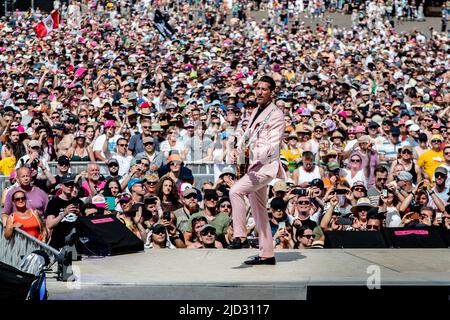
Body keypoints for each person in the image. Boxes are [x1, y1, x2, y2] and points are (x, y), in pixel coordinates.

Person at [229, 76, 285, 265]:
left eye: (264, 89)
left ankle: (240, 236)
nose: (259, 92)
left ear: (272, 93)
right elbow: (247, 135)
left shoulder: (276, 115)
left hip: (265, 167)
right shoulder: (256, 111)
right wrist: (238, 148)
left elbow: (272, 147)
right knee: (259, 210)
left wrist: (249, 154)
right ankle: (267, 253)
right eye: (258, 88)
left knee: (235, 191)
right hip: (254, 166)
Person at [44, 174, 84, 249]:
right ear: (61, 185)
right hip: (58, 243)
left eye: (71, 184)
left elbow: (85, 224)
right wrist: (64, 213)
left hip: (76, 242)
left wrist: (79, 214)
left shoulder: (79, 202)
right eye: (67, 184)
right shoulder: (53, 202)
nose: (69, 186)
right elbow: (49, 225)